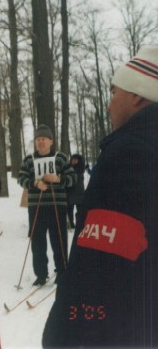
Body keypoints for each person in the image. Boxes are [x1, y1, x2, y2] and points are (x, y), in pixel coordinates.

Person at [43, 46, 158, 348]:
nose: (109, 104)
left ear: (137, 95)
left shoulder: (129, 153)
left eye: (113, 92)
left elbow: (97, 265)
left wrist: (65, 329)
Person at [18, 125, 76, 286]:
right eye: (38, 139)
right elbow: (21, 179)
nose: (41, 142)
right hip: (36, 206)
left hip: (57, 205)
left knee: (59, 239)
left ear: (51, 141)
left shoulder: (61, 158)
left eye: (44, 139)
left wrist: (58, 178)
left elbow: (73, 178)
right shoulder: (29, 160)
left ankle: (62, 271)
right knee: (37, 242)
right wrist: (35, 183)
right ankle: (41, 274)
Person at [65, 153, 85, 229]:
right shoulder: (69, 168)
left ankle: (79, 223)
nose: (73, 161)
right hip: (70, 192)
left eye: (75, 160)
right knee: (70, 209)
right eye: (72, 159)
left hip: (79, 192)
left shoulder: (80, 168)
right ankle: (71, 223)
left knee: (79, 210)